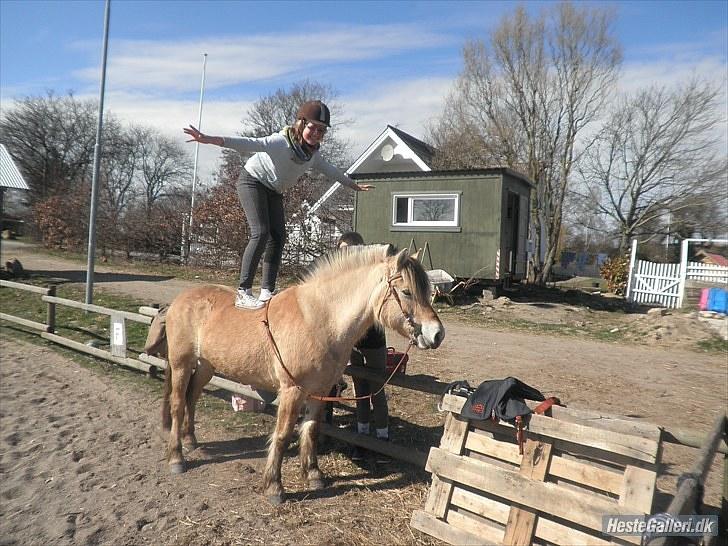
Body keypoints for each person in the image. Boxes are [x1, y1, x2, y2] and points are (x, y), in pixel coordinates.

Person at [183, 101, 373, 309]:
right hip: (252, 181)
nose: (316, 133)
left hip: (274, 190)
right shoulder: (280, 142)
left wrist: (353, 185)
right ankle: (243, 291)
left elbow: (332, 171)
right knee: (261, 232)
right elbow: (247, 143)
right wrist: (208, 139)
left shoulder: (312, 156)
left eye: (321, 130)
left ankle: (266, 291)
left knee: (279, 236)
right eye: (312, 127)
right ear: (301, 123)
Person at [336, 232, 390, 463]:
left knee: (377, 391)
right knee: (360, 391)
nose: (345, 255)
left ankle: (383, 439)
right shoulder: (340, 277)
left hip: (373, 342)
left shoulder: (372, 276)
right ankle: (362, 436)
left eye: (349, 250)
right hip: (353, 342)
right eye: (341, 250)